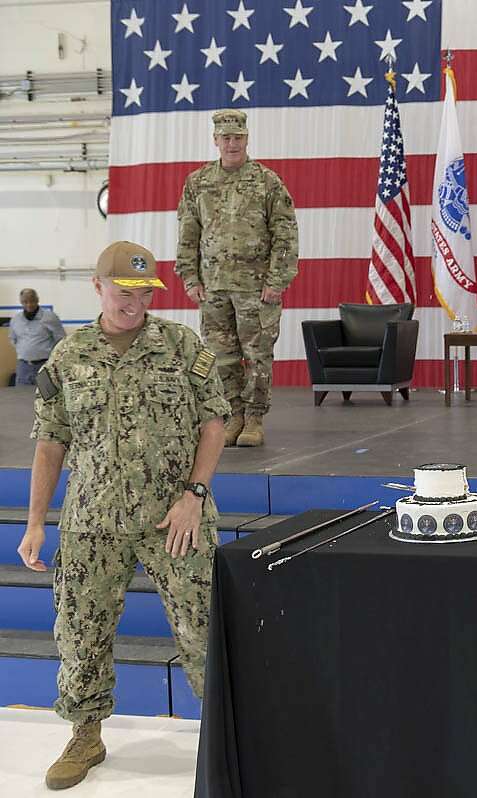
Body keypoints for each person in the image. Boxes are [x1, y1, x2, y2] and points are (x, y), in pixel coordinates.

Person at [17, 241, 229, 790]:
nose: (133, 300)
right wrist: (36, 520)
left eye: (142, 291)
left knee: (204, 628)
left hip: (175, 519)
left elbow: (214, 422)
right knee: (80, 630)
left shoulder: (181, 346)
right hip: (92, 520)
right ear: (98, 287)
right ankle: (86, 734)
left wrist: (195, 494)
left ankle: (228, 737)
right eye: (122, 289)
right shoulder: (69, 356)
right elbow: (50, 440)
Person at [176, 108, 298, 447]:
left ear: (247, 138)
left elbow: (285, 233)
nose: (232, 143)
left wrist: (278, 280)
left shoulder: (267, 181)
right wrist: (189, 277)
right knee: (220, 357)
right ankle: (234, 415)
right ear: (215, 140)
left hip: (256, 289)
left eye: (238, 137)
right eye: (226, 137)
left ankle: (255, 418)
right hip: (213, 287)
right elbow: (188, 233)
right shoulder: (198, 183)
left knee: (257, 356)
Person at [9, 288, 66, 384]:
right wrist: (26, 351)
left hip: (44, 365)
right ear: (21, 302)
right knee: (19, 397)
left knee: (47, 396)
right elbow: (13, 339)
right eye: (25, 302)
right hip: (23, 366)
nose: (29, 304)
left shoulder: (50, 317)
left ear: (37, 300)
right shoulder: (15, 319)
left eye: (32, 301)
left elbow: (61, 339)